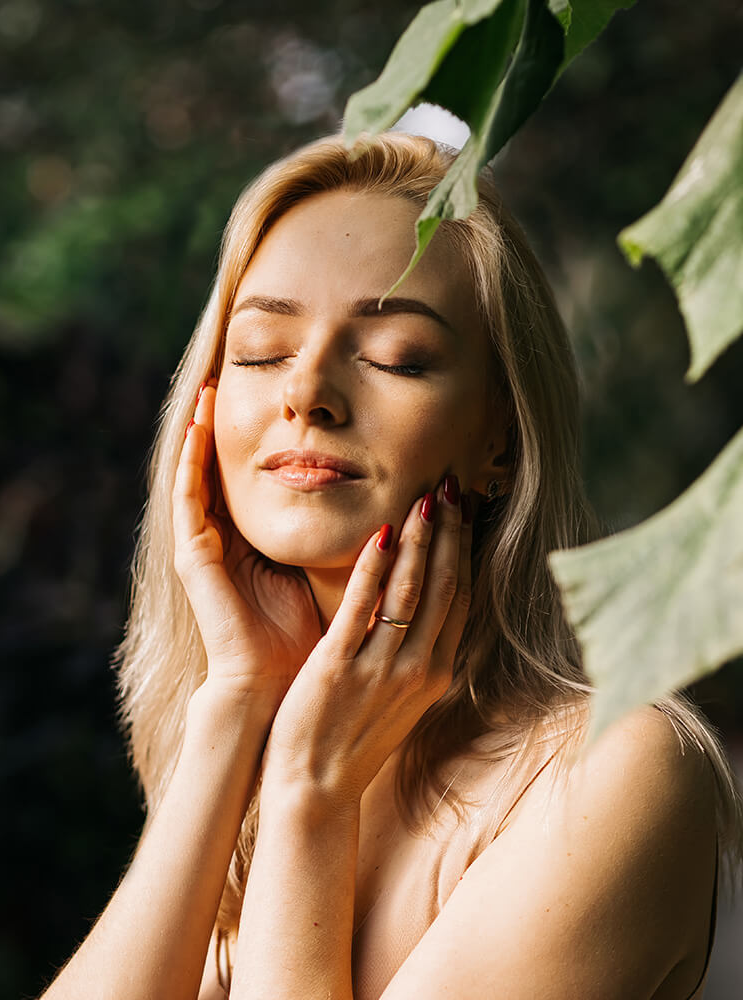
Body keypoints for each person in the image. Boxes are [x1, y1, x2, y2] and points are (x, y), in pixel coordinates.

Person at [42, 132, 742, 1000]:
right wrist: (235, 705)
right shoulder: (244, 750)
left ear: (502, 440)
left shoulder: (613, 777)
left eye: (395, 357)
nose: (307, 392)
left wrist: (311, 794)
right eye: (261, 351)